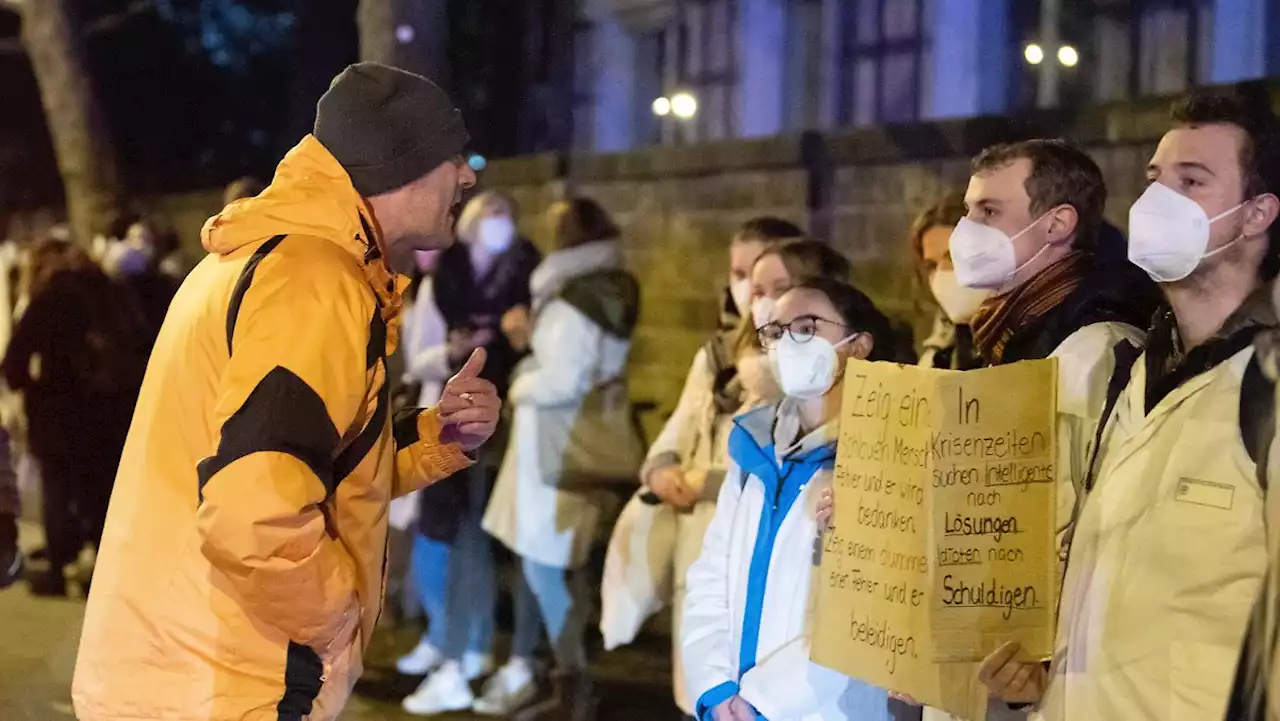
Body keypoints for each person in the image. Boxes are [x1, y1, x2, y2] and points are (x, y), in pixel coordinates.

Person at [71, 63, 502, 721]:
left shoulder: (267, 259)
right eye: (452, 155)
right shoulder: (313, 280)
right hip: (229, 680)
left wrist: (437, 435)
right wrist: (335, 620)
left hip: (180, 668)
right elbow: (255, 514)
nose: (468, 175)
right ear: (400, 164)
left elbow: (309, 464)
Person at [819, 139, 1159, 721]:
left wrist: (1037, 665)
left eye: (988, 212)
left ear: (1057, 224)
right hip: (977, 671)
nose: (965, 230)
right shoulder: (1009, 342)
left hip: (1034, 683)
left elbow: (1081, 530)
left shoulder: (1100, 350)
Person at [978, 90, 1280, 721]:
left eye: (1191, 181)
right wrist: (1048, 678)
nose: (1158, 200)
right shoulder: (1131, 371)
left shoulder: (1267, 390)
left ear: (1257, 215)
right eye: (1155, 178)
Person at [684, 278, 896, 721]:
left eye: (806, 327)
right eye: (776, 332)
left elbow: (864, 612)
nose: (787, 343)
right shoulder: (754, 445)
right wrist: (716, 686)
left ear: (857, 347)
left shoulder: (887, 459)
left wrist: (766, 703)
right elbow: (711, 574)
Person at [625, 216, 801, 716]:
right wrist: (661, 468)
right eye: (741, 274)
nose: (751, 291)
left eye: (771, 282)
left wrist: (712, 483)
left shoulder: (800, 362)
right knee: (702, 680)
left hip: (749, 542)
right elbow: (677, 430)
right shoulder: (717, 355)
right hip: (698, 543)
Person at [479, 197, 641, 721]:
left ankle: (574, 685)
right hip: (564, 444)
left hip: (556, 448)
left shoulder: (573, 301)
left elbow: (561, 379)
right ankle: (567, 679)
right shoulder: (602, 290)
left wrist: (519, 381)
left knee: (547, 567)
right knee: (557, 565)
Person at [400, 190, 541, 715]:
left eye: (509, 216)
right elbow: (418, 360)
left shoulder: (526, 276)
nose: (501, 226)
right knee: (445, 534)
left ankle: (470, 649)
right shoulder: (444, 283)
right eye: (493, 217)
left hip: (502, 421)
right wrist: (455, 353)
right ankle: (449, 644)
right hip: (448, 418)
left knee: (477, 536)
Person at [2, 240, 149, 596]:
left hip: (56, 413)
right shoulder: (111, 292)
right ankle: (107, 565)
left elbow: (13, 362)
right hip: (108, 410)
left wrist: (32, 387)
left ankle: (57, 569)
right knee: (100, 490)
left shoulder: (49, 298)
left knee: (57, 489)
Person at [910, 193, 985, 371]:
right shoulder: (939, 356)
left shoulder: (1039, 342)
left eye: (953, 257)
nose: (942, 273)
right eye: (931, 265)